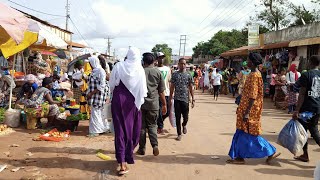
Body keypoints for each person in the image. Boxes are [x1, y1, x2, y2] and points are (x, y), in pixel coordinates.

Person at [227, 52, 280, 165]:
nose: (247, 62)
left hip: (249, 109)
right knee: (242, 132)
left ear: (252, 62)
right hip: (247, 108)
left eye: (248, 60)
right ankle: (239, 156)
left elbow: (252, 96)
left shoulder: (254, 75)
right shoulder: (256, 74)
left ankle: (270, 151)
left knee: (249, 133)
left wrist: (247, 112)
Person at [109, 47, 147, 175]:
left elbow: (112, 84)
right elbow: (142, 90)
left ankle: (122, 160)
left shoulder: (119, 66)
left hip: (118, 99)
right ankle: (124, 159)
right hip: (133, 103)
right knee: (133, 131)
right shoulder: (140, 69)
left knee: (120, 130)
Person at [137, 53, 167, 156]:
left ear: (143, 61)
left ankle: (142, 149)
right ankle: (155, 146)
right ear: (153, 61)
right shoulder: (158, 72)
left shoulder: (139, 72)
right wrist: (164, 104)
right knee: (153, 125)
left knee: (141, 127)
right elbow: (161, 91)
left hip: (141, 104)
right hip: (154, 104)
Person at [292, 55, 320, 163]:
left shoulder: (306, 75)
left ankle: (305, 154)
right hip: (317, 107)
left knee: (303, 131)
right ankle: (304, 154)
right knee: (314, 130)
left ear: (311, 62)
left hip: (306, 108)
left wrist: (297, 110)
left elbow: (302, 94)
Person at [170, 58, 195, 141]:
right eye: (181, 63)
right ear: (178, 64)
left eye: (184, 64)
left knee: (186, 117)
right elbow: (172, 86)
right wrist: (170, 97)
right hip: (177, 99)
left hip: (185, 99)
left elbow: (191, 87)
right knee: (177, 117)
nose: (183, 65)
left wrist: (193, 98)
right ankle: (179, 134)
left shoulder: (189, 75)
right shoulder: (175, 74)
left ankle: (184, 125)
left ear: (186, 64)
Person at [86, 56, 109, 137]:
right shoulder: (95, 71)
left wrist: (91, 93)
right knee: (99, 112)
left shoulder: (100, 71)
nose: (90, 65)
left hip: (98, 94)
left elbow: (102, 85)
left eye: (90, 63)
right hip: (95, 94)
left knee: (96, 112)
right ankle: (103, 128)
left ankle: (95, 131)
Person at [156, 52, 171, 134]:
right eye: (159, 57)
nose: (161, 59)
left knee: (167, 112)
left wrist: (172, 92)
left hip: (166, 93)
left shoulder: (167, 69)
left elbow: (169, 81)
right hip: (157, 94)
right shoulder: (155, 69)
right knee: (159, 110)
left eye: (162, 57)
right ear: (157, 59)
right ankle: (160, 127)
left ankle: (159, 121)